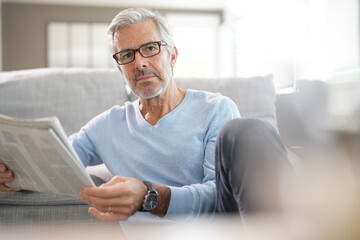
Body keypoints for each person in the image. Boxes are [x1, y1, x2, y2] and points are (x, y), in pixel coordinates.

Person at [0, 7, 290, 223]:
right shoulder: (107, 125)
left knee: (248, 130)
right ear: (120, 68)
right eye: (126, 55)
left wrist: (150, 196)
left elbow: (219, 195)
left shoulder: (216, 108)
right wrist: (11, 174)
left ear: (172, 55)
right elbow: (52, 159)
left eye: (150, 48)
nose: (139, 62)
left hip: (214, 231)